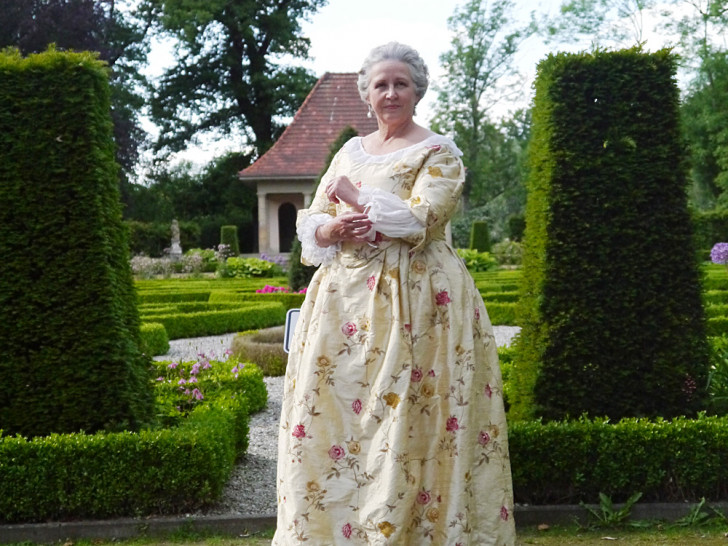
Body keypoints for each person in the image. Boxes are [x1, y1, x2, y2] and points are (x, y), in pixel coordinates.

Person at [272, 42, 516, 545]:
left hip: (418, 302)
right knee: (339, 412)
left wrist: (356, 198)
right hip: (343, 302)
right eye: (380, 84)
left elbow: (419, 219)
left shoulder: (438, 151)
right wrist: (331, 231)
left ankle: (411, 530)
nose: (390, 93)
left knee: (408, 409)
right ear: (366, 93)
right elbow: (314, 217)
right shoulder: (349, 151)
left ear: (417, 91)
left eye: (400, 83)